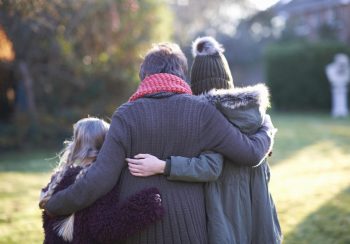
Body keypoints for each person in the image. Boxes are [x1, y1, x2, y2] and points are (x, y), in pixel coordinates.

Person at [42, 42, 276, 244]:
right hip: (190, 230)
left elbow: (99, 179)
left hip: (137, 230)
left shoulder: (126, 115)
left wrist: (56, 204)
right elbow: (251, 153)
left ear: (144, 76)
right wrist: (267, 129)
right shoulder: (202, 112)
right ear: (182, 75)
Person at [127, 37, 282, 244]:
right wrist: (267, 131)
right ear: (228, 80)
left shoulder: (204, 118)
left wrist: (164, 166)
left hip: (224, 216)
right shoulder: (255, 117)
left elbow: (210, 166)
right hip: (260, 215)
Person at [40, 117, 164, 243]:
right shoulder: (101, 180)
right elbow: (105, 229)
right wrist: (147, 203)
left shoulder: (58, 179)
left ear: (75, 144)